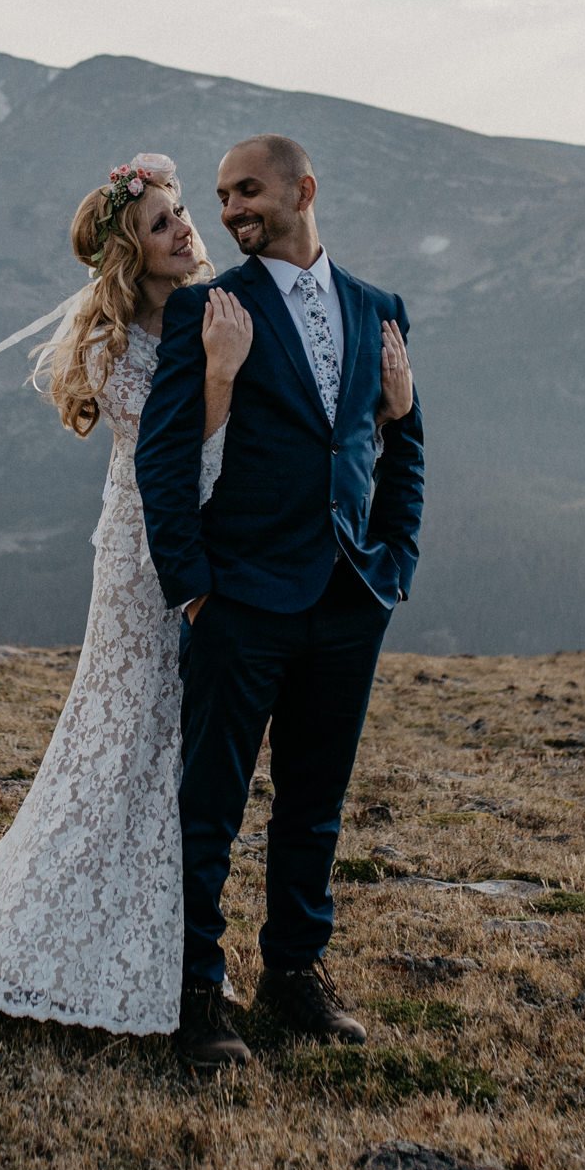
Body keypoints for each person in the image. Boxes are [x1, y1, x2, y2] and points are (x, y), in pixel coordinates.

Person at [0, 155, 251, 1032]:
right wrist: (223, 374)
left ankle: (168, 944)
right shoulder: (110, 343)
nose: (186, 229)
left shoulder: (210, 313)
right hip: (143, 560)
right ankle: (42, 940)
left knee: (178, 745)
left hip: (216, 543)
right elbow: (171, 441)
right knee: (125, 736)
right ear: (132, 250)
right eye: (162, 222)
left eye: (181, 212)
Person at [134, 133, 424, 1071]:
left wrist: (395, 563)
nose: (228, 211)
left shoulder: (379, 309)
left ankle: (295, 972)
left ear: (304, 187)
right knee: (208, 805)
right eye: (218, 196)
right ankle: (194, 991)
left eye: (246, 190)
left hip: (348, 599)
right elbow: (164, 456)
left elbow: (400, 445)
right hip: (240, 601)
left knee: (315, 802)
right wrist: (191, 590)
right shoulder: (207, 311)